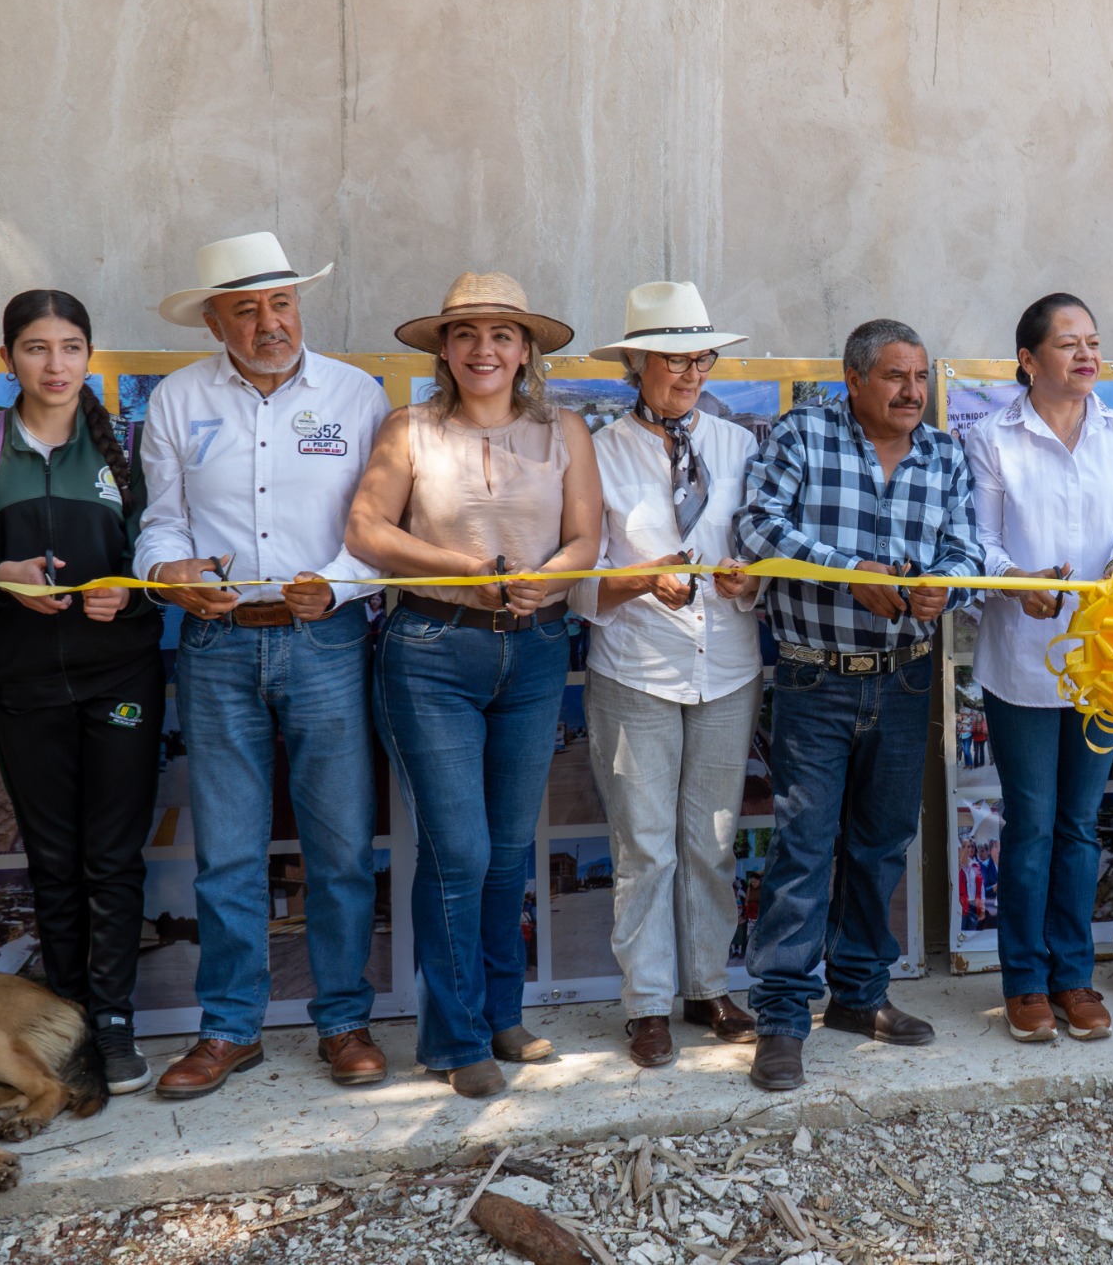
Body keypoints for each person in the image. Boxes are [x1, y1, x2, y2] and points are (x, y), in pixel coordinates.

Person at [136, 231, 393, 1099]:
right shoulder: (176, 400)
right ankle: (229, 1029)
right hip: (215, 643)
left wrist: (346, 586)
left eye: (279, 303)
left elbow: (379, 526)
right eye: (244, 309)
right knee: (228, 853)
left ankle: (345, 1019)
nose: (268, 322)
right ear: (214, 321)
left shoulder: (357, 396)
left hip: (325, 642)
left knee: (342, 846)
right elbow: (161, 523)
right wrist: (169, 575)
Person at [349, 272, 602, 1097]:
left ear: (526, 349)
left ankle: (500, 1012)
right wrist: (468, 569)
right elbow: (367, 530)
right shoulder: (409, 428)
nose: (484, 349)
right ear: (442, 350)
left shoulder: (565, 428)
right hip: (430, 649)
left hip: (532, 650)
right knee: (457, 849)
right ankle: (452, 1039)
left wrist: (544, 581)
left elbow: (584, 540)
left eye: (501, 334)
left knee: (503, 854)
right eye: (466, 335)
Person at [734, 318, 983, 1091]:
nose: (913, 392)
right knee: (804, 847)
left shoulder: (944, 453)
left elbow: (969, 549)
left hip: (907, 677)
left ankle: (860, 997)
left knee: (879, 846)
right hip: (814, 678)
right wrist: (849, 572)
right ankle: (780, 1018)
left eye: (920, 378)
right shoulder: (803, 436)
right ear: (854, 380)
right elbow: (757, 527)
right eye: (895, 377)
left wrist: (949, 583)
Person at [0, 289, 167, 1092]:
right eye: (36, 348)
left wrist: (130, 591)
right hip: (24, 679)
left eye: (71, 346)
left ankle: (112, 1022)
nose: (55, 364)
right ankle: (68, 1018)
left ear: (89, 354)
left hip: (122, 675)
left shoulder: (127, 444)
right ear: (8, 357)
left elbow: (162, 544)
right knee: (53, 858)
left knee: (111, 856)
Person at [573, 281, 765, 1069]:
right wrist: (638, 578)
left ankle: (709, 986)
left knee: (713, 839)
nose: (690, 373)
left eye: (701, 357)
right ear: (636, 365)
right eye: (672, 359)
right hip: (636, 668)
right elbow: (576, 576)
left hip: (726, 665)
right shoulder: (596, 451)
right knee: (645, 845)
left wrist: (754, 581)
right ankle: (647, 1003)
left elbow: (762, 553)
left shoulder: (739, 447)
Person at [964, 293, 1113, 1044]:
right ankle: (1024, 982)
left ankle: (1074, 976)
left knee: (1080, 826)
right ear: (1028, 359)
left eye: (1093, 342)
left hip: (1103, 658)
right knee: (1033, 825)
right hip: (1021, 655)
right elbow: (979, 543)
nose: (1086, 356)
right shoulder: (992, 438)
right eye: (1068, 344)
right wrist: (1021, 580)